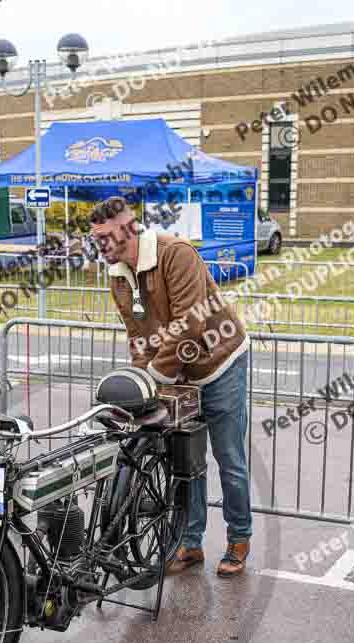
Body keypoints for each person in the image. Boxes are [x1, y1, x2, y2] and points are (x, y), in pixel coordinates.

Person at [89, 197, 252, 578]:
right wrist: (138, 381)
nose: (98, 245)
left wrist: (153, 376)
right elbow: (136, 336)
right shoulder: (117, 274)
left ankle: (239, 539)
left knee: (228, 457)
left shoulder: (175, 254)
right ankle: (190, 543)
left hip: (219, 361)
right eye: (94, 237)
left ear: (125, 230)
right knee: (186, 461)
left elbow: (189, 324)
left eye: (103, 237)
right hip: (178, 370)